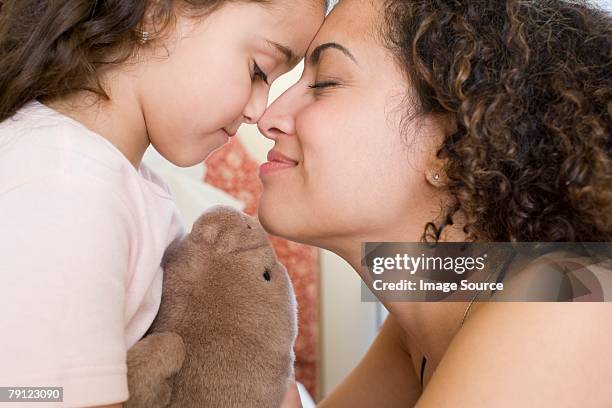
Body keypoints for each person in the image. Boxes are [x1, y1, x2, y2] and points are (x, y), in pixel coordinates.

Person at [256, 0, 612, 406]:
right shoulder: (429, 314)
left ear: (450, 148)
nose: (269, 116)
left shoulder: (566, 300)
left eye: (326, 83)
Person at [0, 0, 324, 406]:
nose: (258, 111)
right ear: (155, 14)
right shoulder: (66, 186)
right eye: (259, 70)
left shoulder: (116, 182)